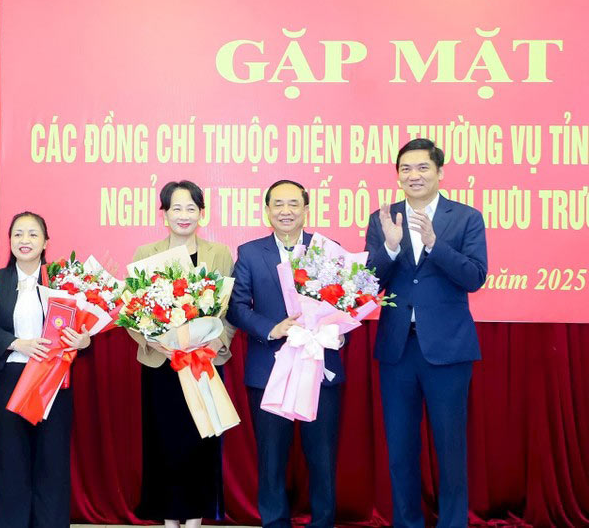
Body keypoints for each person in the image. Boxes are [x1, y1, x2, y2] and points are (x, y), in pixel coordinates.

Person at [366, 138, 487, 528]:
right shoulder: (383, 218)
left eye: (422, 168)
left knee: (450, 448)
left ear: (439, 172)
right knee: (400, 449)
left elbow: (474, 277)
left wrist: (435, 244)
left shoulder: (465, 217)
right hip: (398, 350)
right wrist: (388, 245)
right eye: (405, 169)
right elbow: (368, 283)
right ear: (397, 175)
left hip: (448, 350)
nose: (413, 175)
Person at [227, 179, 344, 528]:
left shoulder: (328, 248)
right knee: (271, 459)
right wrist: (271, 328)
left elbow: (346, 303)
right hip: (270, 368)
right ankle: (275, 522)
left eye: (294, 203)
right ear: (267, 211)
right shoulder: (249, 253)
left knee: (322, 458)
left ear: (306, 209)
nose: (286, 211)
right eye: (278, 204)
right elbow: (236, 307)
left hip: (319, 368)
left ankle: (322, 522)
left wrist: (335, 334)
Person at [129, 180, 234, 528]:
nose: (184, 215)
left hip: (202, 362)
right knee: (165, 444)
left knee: (199, 441)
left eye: (191, 208)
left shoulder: (218, 254)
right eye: (176, 208)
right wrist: (152, 339)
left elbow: (229, 310)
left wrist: (219, 341)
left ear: (202, 214)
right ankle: (169, 519)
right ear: (164, 215)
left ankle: (194, 520)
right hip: (163, 363)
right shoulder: (146, 254)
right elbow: (129, 309)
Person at [0, 211, 90, 527]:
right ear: (9, 241)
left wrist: (83, 340)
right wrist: (16, 343)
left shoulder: (65, 283)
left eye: (33, 234)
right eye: (18, 234)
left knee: (51, 462)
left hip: (54, 381)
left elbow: (81, 328)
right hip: (9, 378)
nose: (24, 241)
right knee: (9, 460)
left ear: (45, 242)